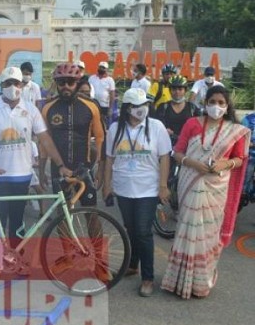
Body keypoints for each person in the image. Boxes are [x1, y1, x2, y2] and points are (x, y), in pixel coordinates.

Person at [161, 86, 249, 299]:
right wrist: (194, 163)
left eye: (221, 103)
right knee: (187, 228)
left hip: (216, 188)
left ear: (227, 106)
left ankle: (200, 282)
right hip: (191, 181)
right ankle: (178, 280)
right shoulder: (192, 123)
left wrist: (224, 164)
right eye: (212, 102)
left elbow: (239, 159)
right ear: (205, 102)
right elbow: (177, 152)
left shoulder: (234, 130)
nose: (216, 107)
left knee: (208, 234)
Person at [0, 66, 71, 250]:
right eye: (8, 83)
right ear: (1, 85)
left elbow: (45, 139)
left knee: (18, 221)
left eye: (16, 83)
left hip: (22, 176)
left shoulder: (31, 110)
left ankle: (16, 257)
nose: (13, 87)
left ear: (22, 85)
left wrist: (60, 164)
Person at [103, 88, 171, 297]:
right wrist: (107, 184)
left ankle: (148, 278)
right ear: (127, 109)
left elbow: (165, 157)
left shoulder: (156, 127)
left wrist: (163, 185)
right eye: (136, 106)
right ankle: (132, 265)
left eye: (144, 105)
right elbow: (109, 159)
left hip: (148, 188)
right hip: (124, 187)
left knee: (143, 231)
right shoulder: (115, 128)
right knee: (130, 228)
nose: (142, 110)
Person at [40, 62, 105, 199]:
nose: (66, 86)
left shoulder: (91, 106)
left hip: (84, 167)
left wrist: (100, 168)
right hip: (59, 168)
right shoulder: (48, 108)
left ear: (77, 83)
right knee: (62, 214)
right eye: (61, 82)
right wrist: (41, 171)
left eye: (70, 82)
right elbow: (44, 143)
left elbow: (100, 138)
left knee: (91, 214)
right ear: (56, 84)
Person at [155, 75, 200, 143]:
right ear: (170, 90)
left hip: (187, 146)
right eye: (174, 89)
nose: (177, 92)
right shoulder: (163, 107)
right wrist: (164, 130)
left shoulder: (192, 108)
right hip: (166, 145)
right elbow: (156, 126)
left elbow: (198, 128)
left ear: (185, 90)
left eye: (180, 89)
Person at [88, 61, 116, 126]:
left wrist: (110, 108)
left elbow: (112, 95)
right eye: (100, 67)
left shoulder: (110, 80)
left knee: (103, 123)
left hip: (104, 106)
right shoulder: (92, 78)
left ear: (106, 69)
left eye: (103, 68)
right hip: (93, 104)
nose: (101, 69)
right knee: (92, 122)